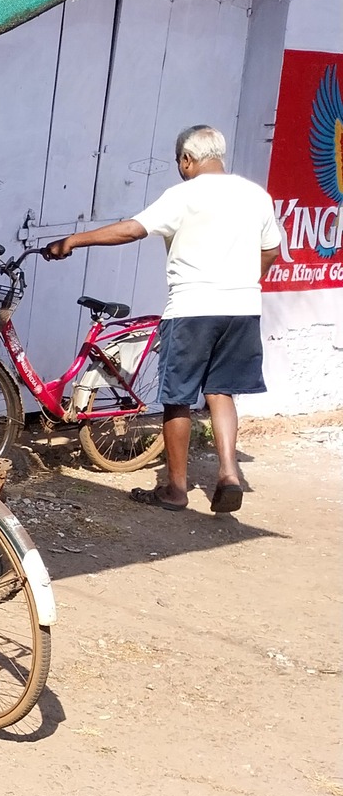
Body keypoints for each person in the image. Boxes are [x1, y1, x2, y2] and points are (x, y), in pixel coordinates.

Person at [48, 124, 281, 513]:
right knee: (221, 392)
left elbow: (131, 230)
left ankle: (175, 489)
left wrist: (73, 240)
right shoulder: (255, 195)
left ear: (187, 159)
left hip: (192, 310)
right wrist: (242, 283)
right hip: (242, 308)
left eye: (179, 161)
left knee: (177, 398)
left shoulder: (183, 196)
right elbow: (271, 250)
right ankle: (229, 475)